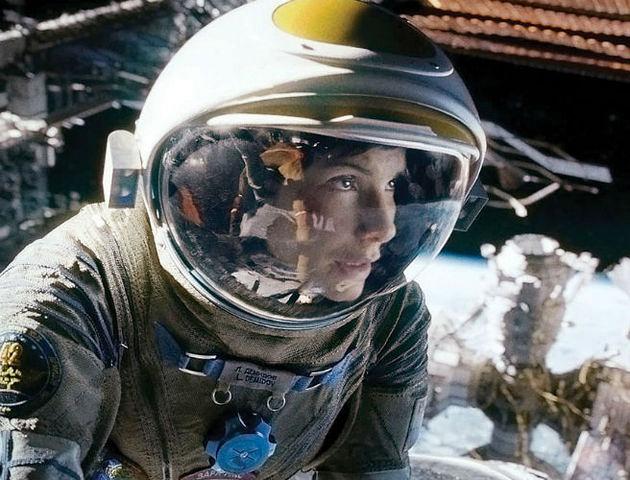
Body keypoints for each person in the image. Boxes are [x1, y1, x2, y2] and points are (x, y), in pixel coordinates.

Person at [0, 0, 491, 479]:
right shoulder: (72, 296)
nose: (382, 227)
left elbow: (375, 469)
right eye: (345, 182)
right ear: (247, 184)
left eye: (392, 186)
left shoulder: (387, 315)